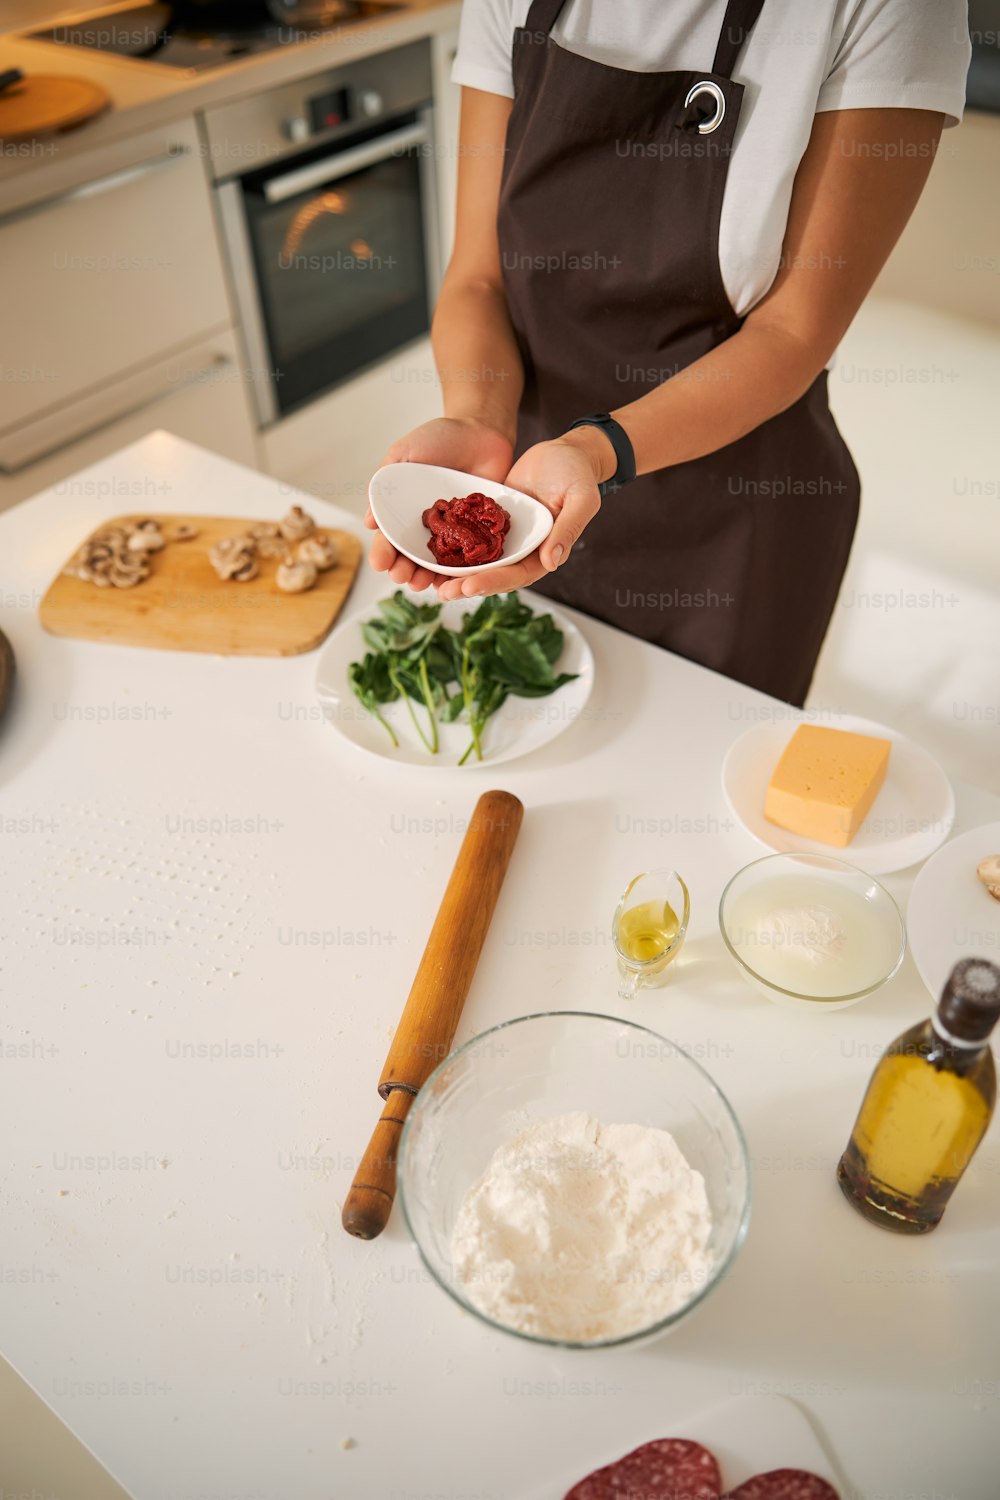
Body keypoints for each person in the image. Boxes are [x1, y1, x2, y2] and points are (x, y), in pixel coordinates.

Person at [366, 0, 971, 705]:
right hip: (534, 485)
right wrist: (477, 420)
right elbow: (475, 276)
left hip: (736, 521)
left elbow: (792, 335)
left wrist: (596, 454)